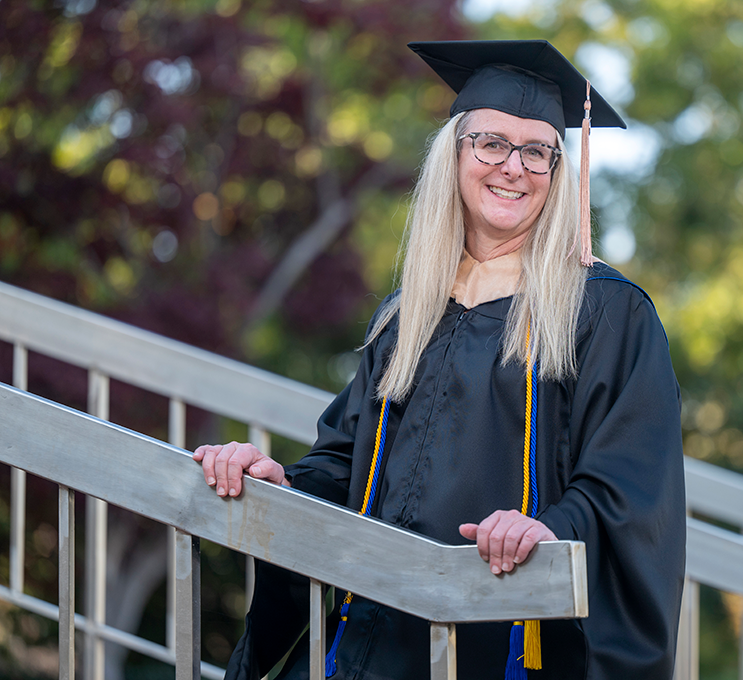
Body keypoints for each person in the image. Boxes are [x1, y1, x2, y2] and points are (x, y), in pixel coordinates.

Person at [194, 39, 686, 680]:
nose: (513, 167)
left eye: (537, 151)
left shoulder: (604, 313)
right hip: (367, 645)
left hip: (499, 648)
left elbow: (632, 485)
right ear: (454, 153)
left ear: (560, 172)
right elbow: (346, 466)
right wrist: (279, 483)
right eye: (491, 143)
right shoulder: (406, 315)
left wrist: (550, 527)